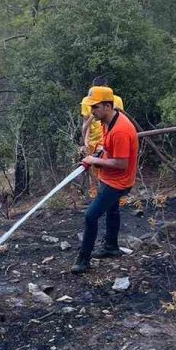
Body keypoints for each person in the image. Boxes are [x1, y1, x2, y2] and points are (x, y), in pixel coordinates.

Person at [71, 85, 138, 274]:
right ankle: (111, 247)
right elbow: (104, 144)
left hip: (118, 181)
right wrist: (99, 152)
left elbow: (122, 164)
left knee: (90, 216)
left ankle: (84, 259)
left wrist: (94, 159)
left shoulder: (121, 130)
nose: (92, 112)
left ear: (108, 106)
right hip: (109, 176)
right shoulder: (106, 121)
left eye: (96, 107)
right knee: (112, 209)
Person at [80, 77, 124, 198]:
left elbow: (119, 120)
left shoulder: (116, 100)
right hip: (93, 141)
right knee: (95, 171)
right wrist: (85, 142)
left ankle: (112, 196)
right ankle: (97, 196)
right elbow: (85, 126)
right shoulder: (86, 101)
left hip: (109, 139)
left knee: (110, 168)